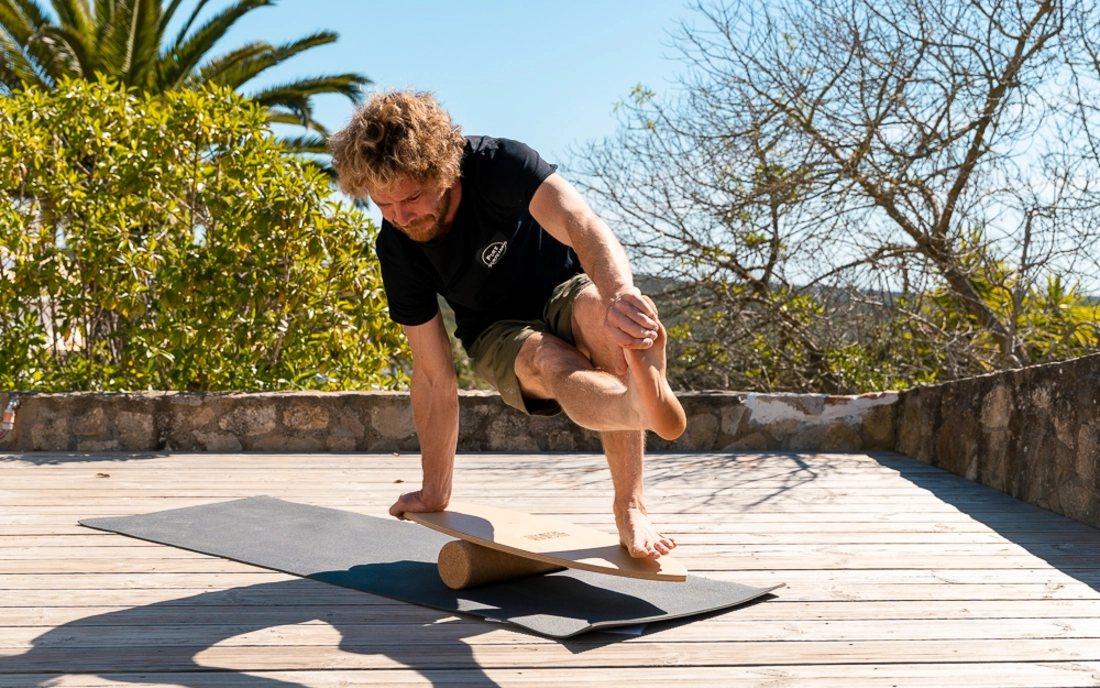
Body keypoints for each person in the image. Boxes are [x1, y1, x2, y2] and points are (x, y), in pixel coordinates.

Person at [328, 90, 686, 559]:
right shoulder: (398, 249)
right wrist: (434, 491)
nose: (401, 217)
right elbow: (435, 377)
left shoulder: (499, 164)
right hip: (496, 332)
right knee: (548, 358)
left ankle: (632, 500)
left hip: (565, 286)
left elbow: (580, 222)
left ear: (443, 168)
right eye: (384, 205)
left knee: (599, 314)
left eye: (412, 198)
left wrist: (621, 297)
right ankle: (634, 406)